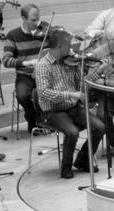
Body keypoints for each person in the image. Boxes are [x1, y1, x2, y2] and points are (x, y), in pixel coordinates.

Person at [35, 29, 106, 179]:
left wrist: (98, 71)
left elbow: (83, 84)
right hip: (53, 111)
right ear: (60, 46)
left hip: (74, 108)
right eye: (69, 45)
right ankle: (65, 168)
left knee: (99, 127)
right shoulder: (43, 65)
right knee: (72, 132)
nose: (72, 49)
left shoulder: (71, 62)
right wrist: (70, 94)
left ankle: (82, 160)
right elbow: (43, 93)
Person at [2, 4, 49, 134]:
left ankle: (52, 120)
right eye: (33, 20)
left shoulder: (45, 32)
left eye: (38, 19)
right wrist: (25, 63)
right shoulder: (13, 35)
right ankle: (33, 118)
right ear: (23, 18)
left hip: (44, 73)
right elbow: (5, 60)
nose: (37, 23)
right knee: (22, 95)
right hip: (25, 74)